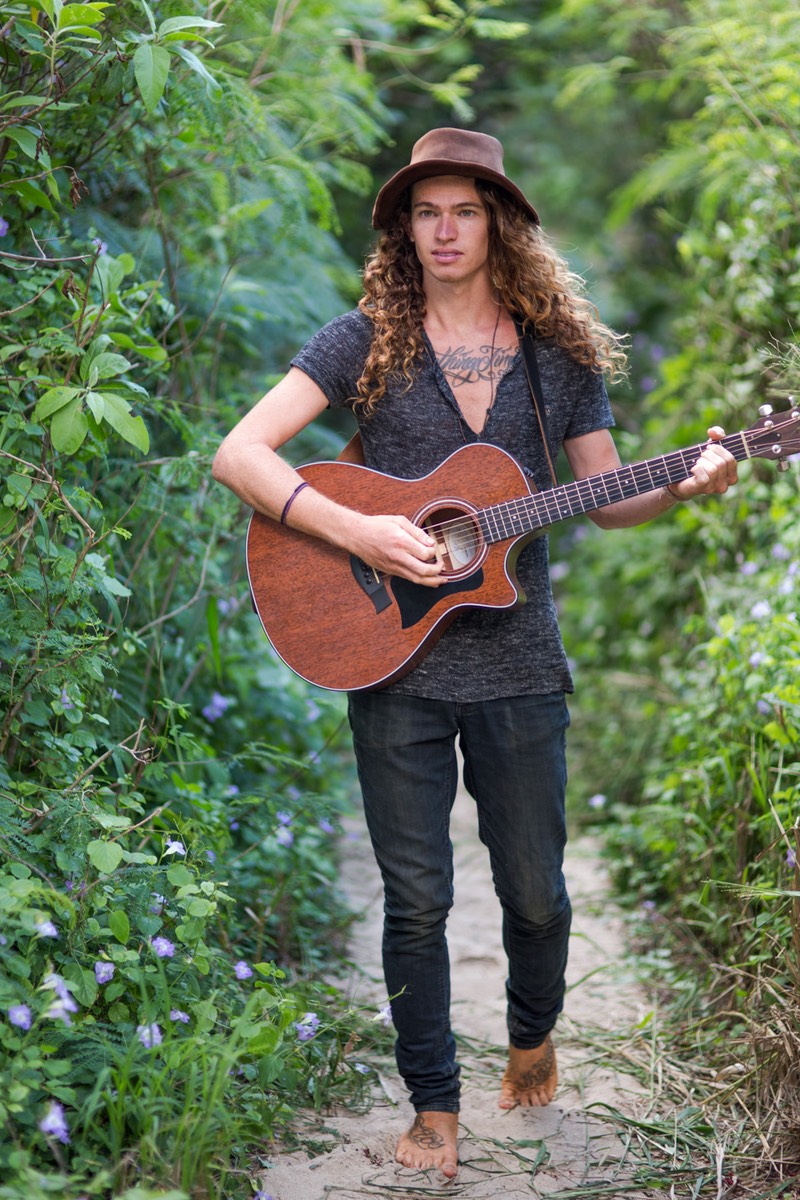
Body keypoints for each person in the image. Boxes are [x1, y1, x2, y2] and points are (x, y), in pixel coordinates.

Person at [212, 127, 738, 1181]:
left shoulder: (557, 357)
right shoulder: (362, 340)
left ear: (498, 222)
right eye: (424, 211)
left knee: (535, 893)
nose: (443, 230)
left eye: (463, 209)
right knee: (415, 900)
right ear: (403, 229)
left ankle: (532, 1031)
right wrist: (357, 531)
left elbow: (609, 498)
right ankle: (434, 1106)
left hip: (516, 662)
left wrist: (684, 482)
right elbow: (239, 452)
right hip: (388, 660)